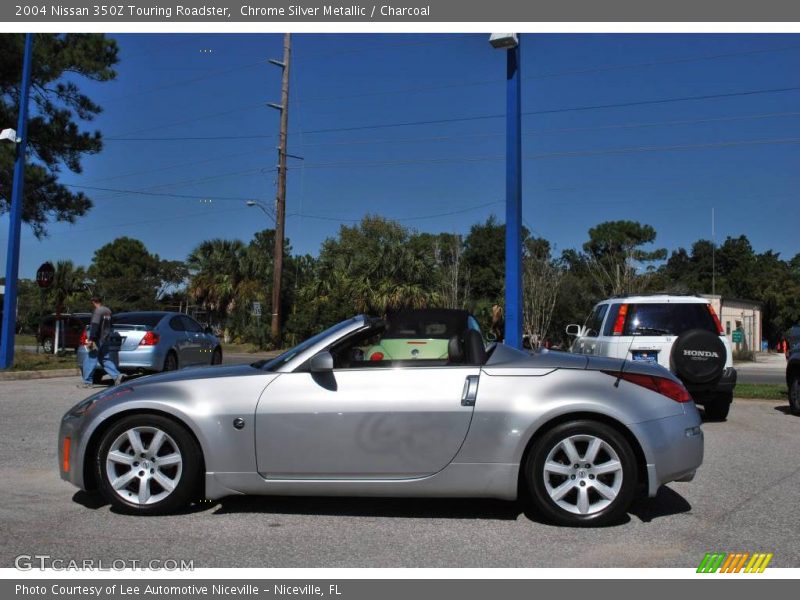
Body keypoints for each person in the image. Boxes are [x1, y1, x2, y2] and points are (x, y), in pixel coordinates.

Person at [78, 296, 123, 388]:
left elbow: (95, 325)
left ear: (93, 302)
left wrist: (91, 339)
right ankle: (117, 376)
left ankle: (87, 382)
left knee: (90, 359)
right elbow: (110, 325)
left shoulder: (97, 311)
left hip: (97, 339)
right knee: (105, 359)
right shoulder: (108, 311)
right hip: (105, 339)